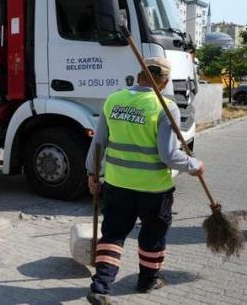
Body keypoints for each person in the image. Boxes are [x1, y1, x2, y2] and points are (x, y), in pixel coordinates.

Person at [85, 57, 204, 305]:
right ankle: (147, 280)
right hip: (154, 190)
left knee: (113, 235)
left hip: (117, 185)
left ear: (139, 75)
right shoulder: (165, 106)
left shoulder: (114, 99)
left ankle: (100, 287)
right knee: (152, 236)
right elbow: (168, 155)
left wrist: (92, 174)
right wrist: (194, 165)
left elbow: (98, 144)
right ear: (166, 81)